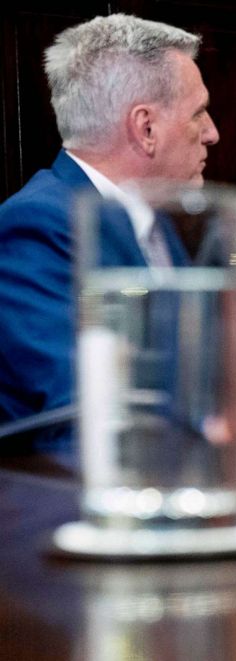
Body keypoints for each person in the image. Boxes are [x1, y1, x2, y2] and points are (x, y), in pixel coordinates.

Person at [0, 15, 219, 427]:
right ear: (146, 128)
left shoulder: (156, 226)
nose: (212, 133)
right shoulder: (35, 228)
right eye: (199, 113)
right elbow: (81, 412)